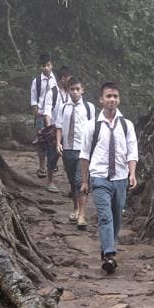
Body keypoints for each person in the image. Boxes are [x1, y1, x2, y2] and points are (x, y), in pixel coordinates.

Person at [81, 82, 137, 274]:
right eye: (108, 96)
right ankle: (110, 255)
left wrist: (133, 174)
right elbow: (85, 154)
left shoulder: (126, 125)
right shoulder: (92, 126)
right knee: (105, 217)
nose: (112, 100)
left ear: (119, 99)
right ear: (101, 100)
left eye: (115, 96)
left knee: (116, 217)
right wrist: (85, 180)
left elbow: (132, 152)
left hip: (120, 177)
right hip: (99, 177)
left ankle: (106, 248)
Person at [53, 77, 97, 229]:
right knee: (72, 181)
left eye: (78, 89)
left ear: (82, 90)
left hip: (83, 150)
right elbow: (58, 126)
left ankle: (82, 215)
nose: (75, 92)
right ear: (68, 90)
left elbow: (93, 128)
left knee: (80, 180)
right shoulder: (63, 107)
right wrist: (58, 142)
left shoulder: (89, 107)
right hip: (67, 148)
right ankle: (76, 209)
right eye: (72, 89)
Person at [28, 56, 61, 187]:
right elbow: (34, 100)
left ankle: (52, 164)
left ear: (51, 65)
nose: (46, 68)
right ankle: (42, 167)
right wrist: (38, 116)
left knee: (53, 141)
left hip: (54, 114)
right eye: (43, 66)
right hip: (42, 114)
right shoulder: (36, 81)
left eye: (48, 65)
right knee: (42, 141)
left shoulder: (56, 80)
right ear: (40, 67)